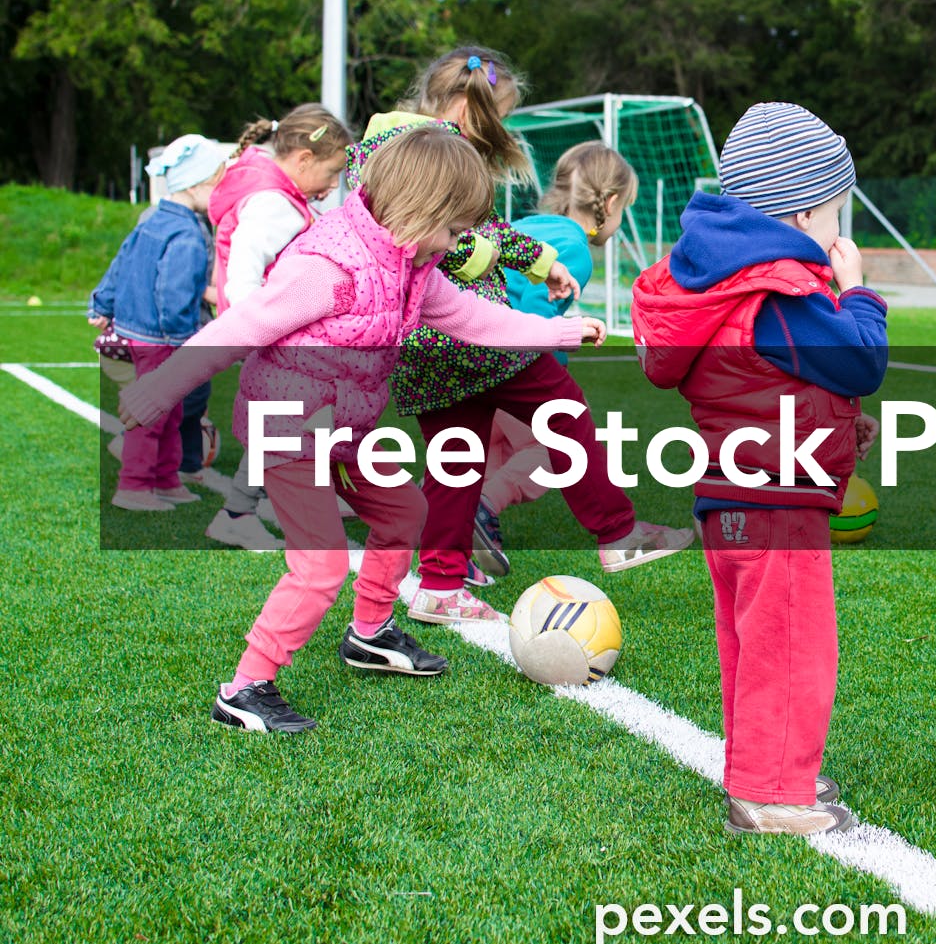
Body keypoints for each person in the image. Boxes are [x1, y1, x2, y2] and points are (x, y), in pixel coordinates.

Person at [117, 125, 606, 734]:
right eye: (455, 230)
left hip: (343, 428)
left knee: (405, 512)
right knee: (320, 564)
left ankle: (370, 634)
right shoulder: (328, 265)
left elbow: (473, 319)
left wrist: (558, 331)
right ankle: (244, 689)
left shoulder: (413, 263)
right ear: (419, 210)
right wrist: (158, 389)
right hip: (288, 429)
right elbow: (241, 326)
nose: (460, 244)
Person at [348, 46, 691, 625]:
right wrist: (507, 270)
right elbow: (448, 242)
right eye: (495, 118)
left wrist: (541, 263)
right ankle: (617, 531)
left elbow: (482, 228)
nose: (497, 132)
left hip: (425, 345)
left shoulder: (387, 143)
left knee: (455, 461)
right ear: (464, 105)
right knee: (563, 407)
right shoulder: (423, 150)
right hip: (466, 333)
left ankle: (438, 585)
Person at [631, 102, 889, 835]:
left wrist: (837, 426)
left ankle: (763, 766)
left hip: (732, 495)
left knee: (752, 643)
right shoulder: (778, 290)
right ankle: (772, 793)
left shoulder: (724, 284)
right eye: (837, 212)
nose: (840, 231)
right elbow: (860, 357)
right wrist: (859, 291)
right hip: (776, 502)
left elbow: (764, 383)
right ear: (804, 211)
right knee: (791, 643)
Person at [470, 142, 641, 574]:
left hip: (465, 354)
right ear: (611, 202)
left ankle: (444, 517)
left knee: (473, 453)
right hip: (504, 360)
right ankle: (485, 507)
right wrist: (562, 337)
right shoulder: (575, 250)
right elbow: (532, 315)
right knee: (553, 450)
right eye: (625, 210)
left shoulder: (528, 225)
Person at [202, 103, 355, 551]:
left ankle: (264, 502)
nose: (332, 187)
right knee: (292, 420)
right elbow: (245, 276)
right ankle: (238, 511)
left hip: (277, 332)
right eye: (330, 173)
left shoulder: (279, 195)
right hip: (273, 335)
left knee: (302, 417)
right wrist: (265, 329)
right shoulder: (273, 205)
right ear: (303, 160)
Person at [89, 134, 225, 511]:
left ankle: (165, 479)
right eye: (218, 183)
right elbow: (174, 292)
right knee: (153, 411)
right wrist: (184, 342)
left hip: (141, 330)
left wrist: (102, 302)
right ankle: (133, 486)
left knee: (171, 409)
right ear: (197, 184)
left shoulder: (153, 218)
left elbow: (121, 261)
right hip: (163, 337)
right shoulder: (187, 233)